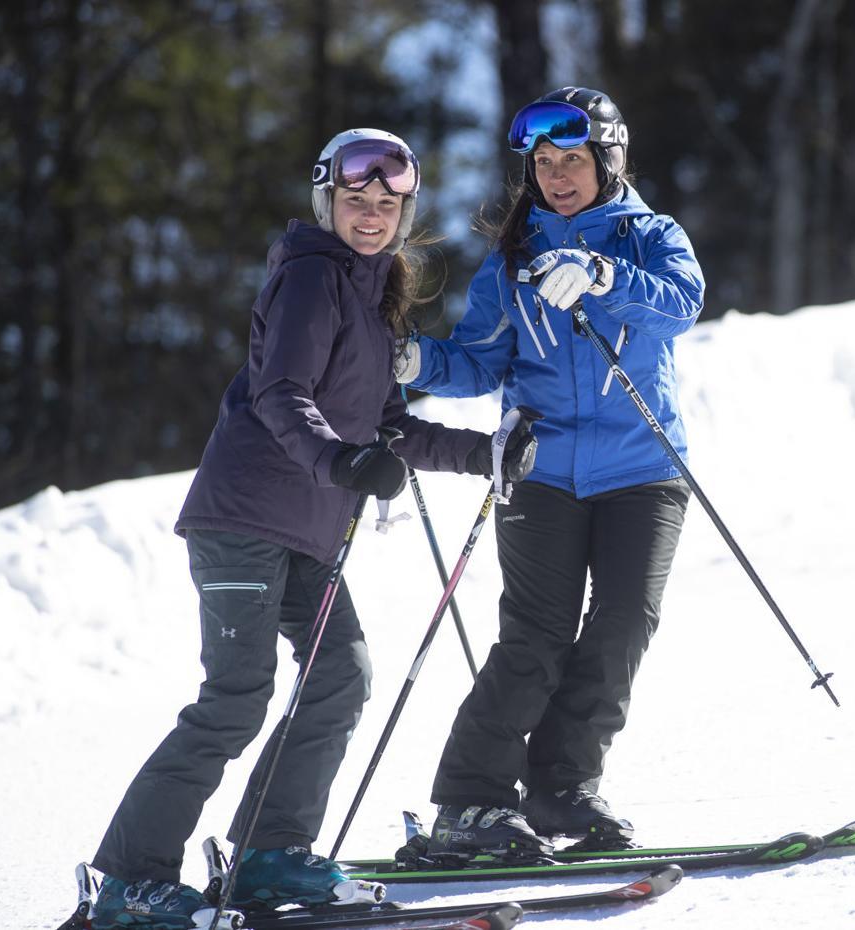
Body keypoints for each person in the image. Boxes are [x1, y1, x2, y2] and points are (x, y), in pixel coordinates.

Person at [88, 128, 537, 930]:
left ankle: (267, 854)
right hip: (246, 517)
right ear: (326, 201)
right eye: (355, 201)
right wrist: (342, 463)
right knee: (234, 699)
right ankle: (128, 879)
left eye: (387, 203)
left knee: (341, 676)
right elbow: (282, 395)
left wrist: (485, 453)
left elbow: (390, 426)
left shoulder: (373, 296)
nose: (371, 215)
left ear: (406, 211)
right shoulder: (309, 279)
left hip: (307, 532)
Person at [393, 86, 704, 863]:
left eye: (572, 160)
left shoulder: (650, 237)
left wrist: (604, 276)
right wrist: (418, 361)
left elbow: (683, 303)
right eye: (542, 163)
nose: (557, 176)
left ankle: (563, 786)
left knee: (625, 622)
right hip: (541, 474)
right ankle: (471, 803)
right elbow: (477, 361)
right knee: (534, 638)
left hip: (643, 469)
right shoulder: (510, 261)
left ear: (609, 161)